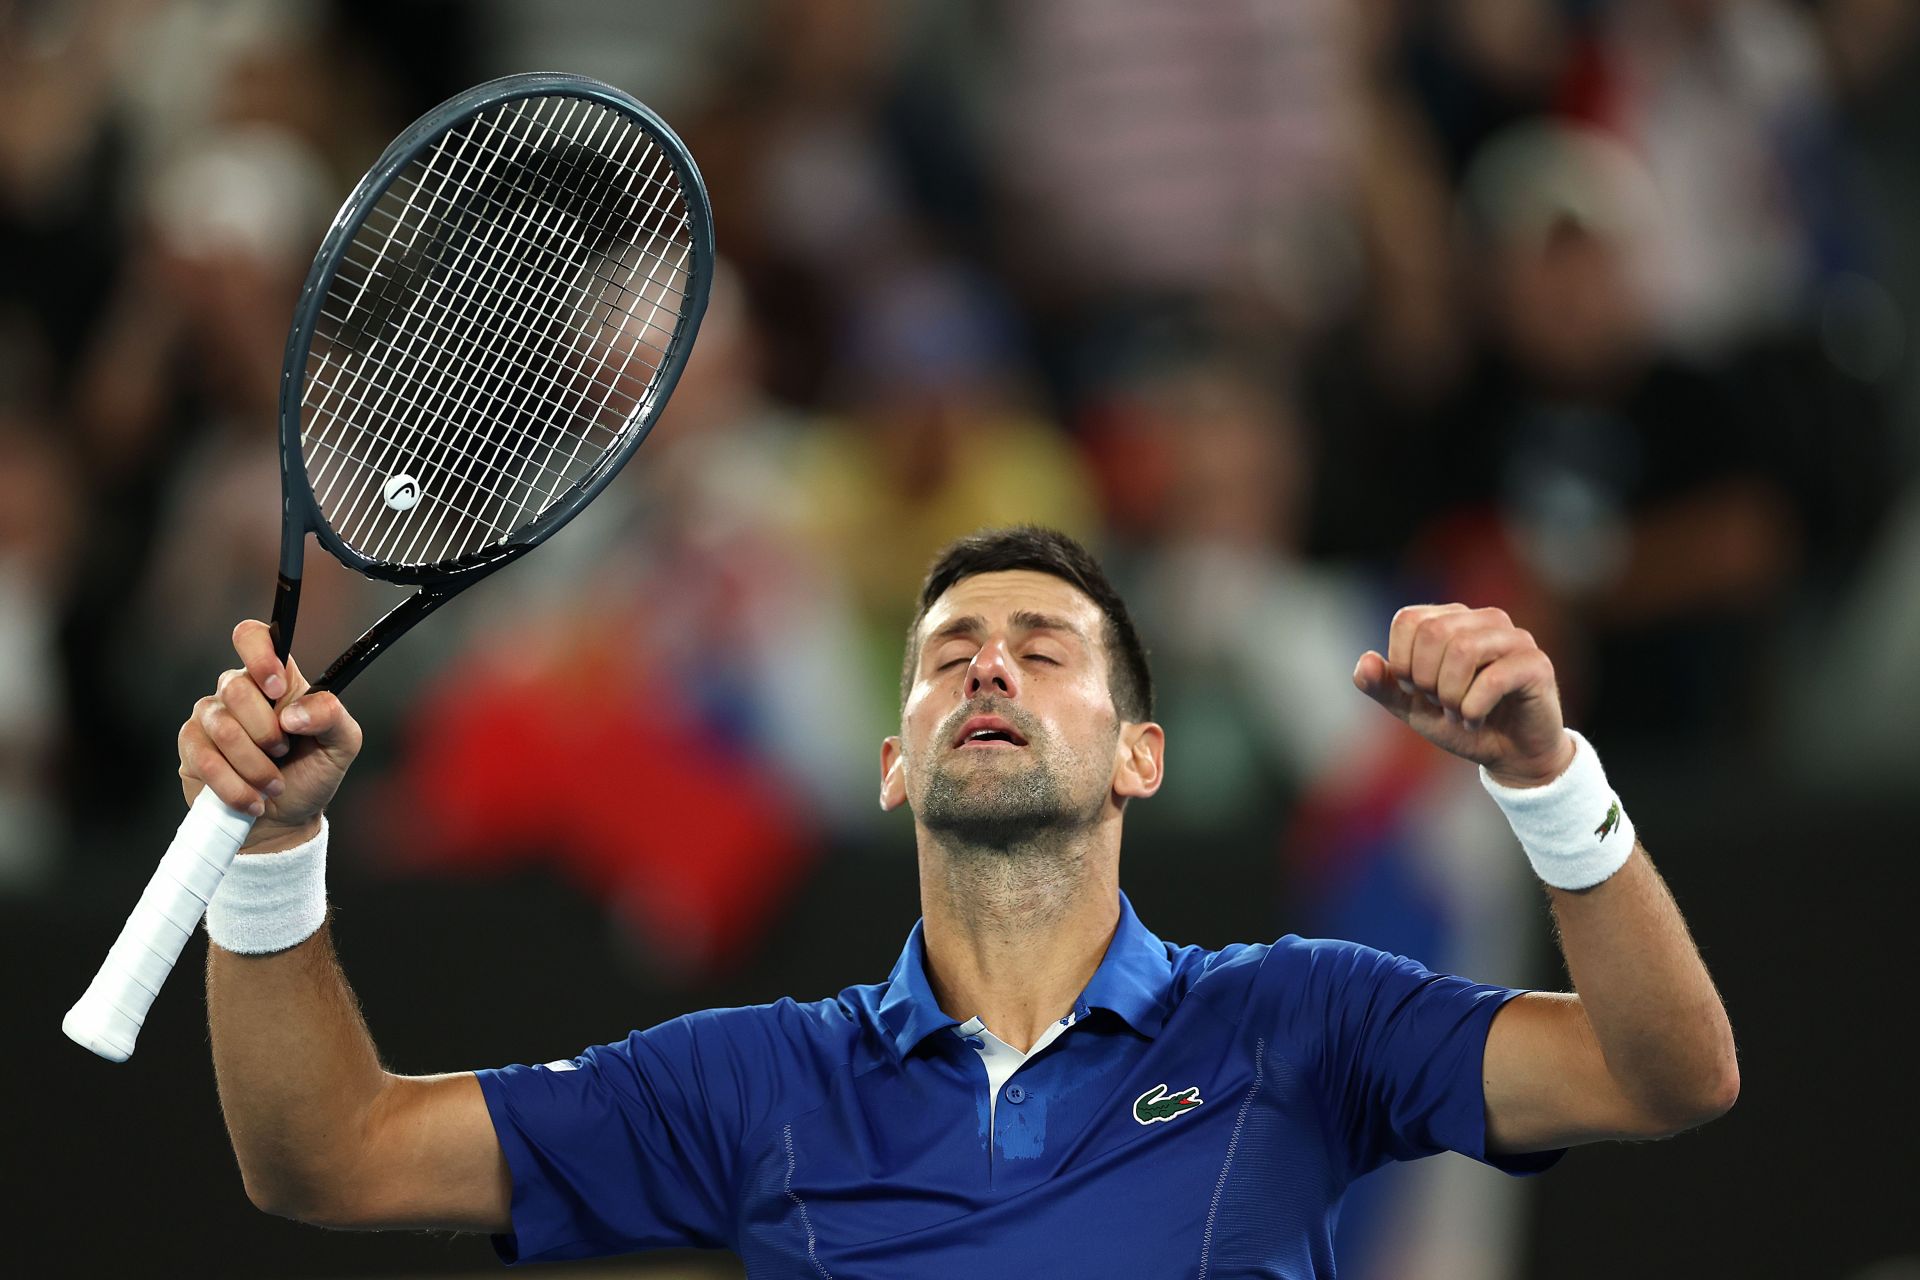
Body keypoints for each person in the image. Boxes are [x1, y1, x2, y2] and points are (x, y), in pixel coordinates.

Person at [182, 525, 1737, 1275]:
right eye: (947, 655)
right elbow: (328, 1158)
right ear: (893, 764)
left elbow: (1667, 1074)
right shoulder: (750, 1084)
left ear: (1142, 755)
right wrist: (271, 853)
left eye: (1045, 648)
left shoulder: (1299, 1021)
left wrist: (1547, 781)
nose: (990, 662)